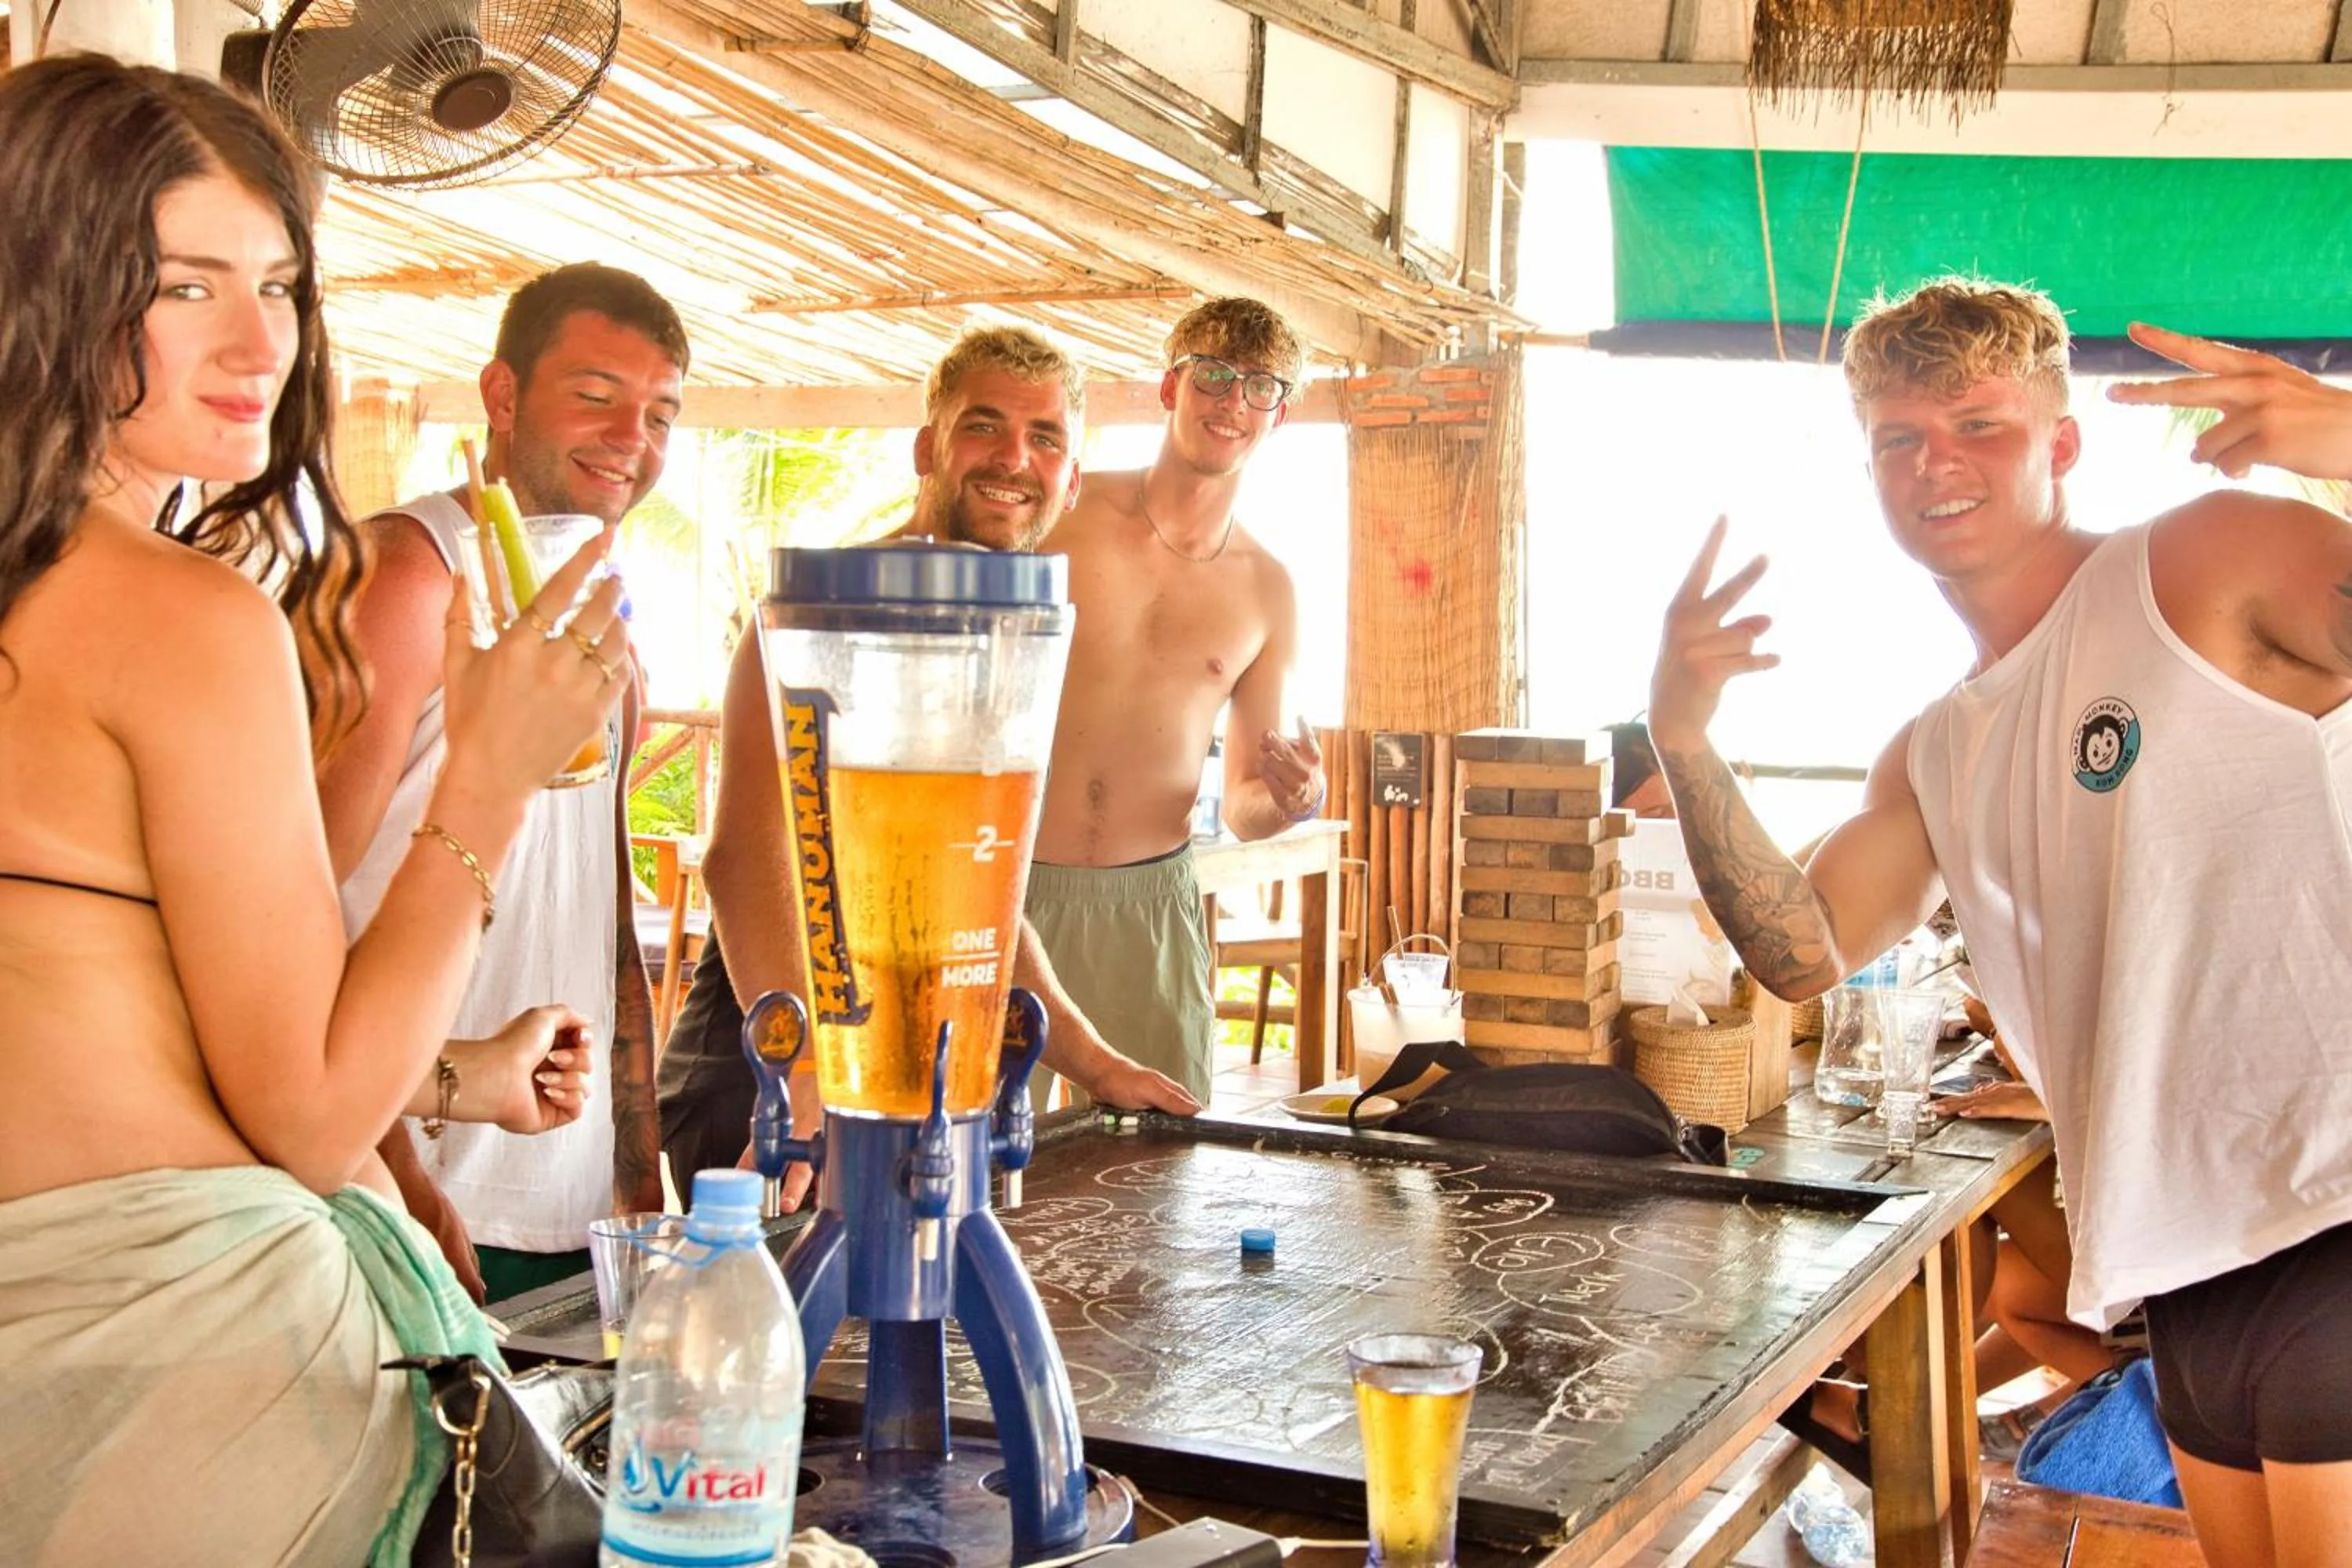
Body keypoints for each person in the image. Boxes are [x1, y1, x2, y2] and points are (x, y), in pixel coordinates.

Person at [0, 56, 622, 1562]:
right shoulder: (180, 620)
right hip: (196, 1367)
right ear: (47, 284)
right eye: (183, 284)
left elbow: (105, 1018)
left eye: (279, 286)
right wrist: (488, 778)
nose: (255, 341)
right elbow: (307, 1113)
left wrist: (453, 1079)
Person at [1650, 277, 2352, 1561]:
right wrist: (1683, 736)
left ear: (2063, 443)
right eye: (1900, 439)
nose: (1940, 464)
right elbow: (1800, 953)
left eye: (1982, 425)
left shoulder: (2203, 561)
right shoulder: (1935, 752)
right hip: (2188, 1250)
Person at [659, 325, 1199, 1193]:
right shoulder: (817, 609)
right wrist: (802, 1078)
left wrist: (1095, 1062)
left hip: (917, 1079)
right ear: (927, 448)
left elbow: (972, 898)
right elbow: (745, 861)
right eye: (983, 426)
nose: (1015, 458)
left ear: (1070, 478)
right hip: (767, 1067)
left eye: (1046, 437)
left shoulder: (1003, 637)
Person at [318, 263, 680, 1304]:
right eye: (596, 394)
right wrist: (389, 1163)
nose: (632, 436)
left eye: (659, 412)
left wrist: (628, 1172)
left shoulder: (602, 616)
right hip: (419, 1180)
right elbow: (302, 893)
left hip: (568, 1188)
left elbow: (595, 922)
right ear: (504, 395)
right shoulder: (413, 573)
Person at [1026, 297, 1328, 1107]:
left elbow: (1245, 806)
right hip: (1010, 886)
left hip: (1147, 909)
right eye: (1214, 376)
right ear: (1170, 386)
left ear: (1281, 413)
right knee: (959, 1164)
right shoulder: (1063, 514)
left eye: (1260, 386)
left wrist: (1298, 799)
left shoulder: (1268, 589)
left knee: (1150, 1184)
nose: (1233, 403)